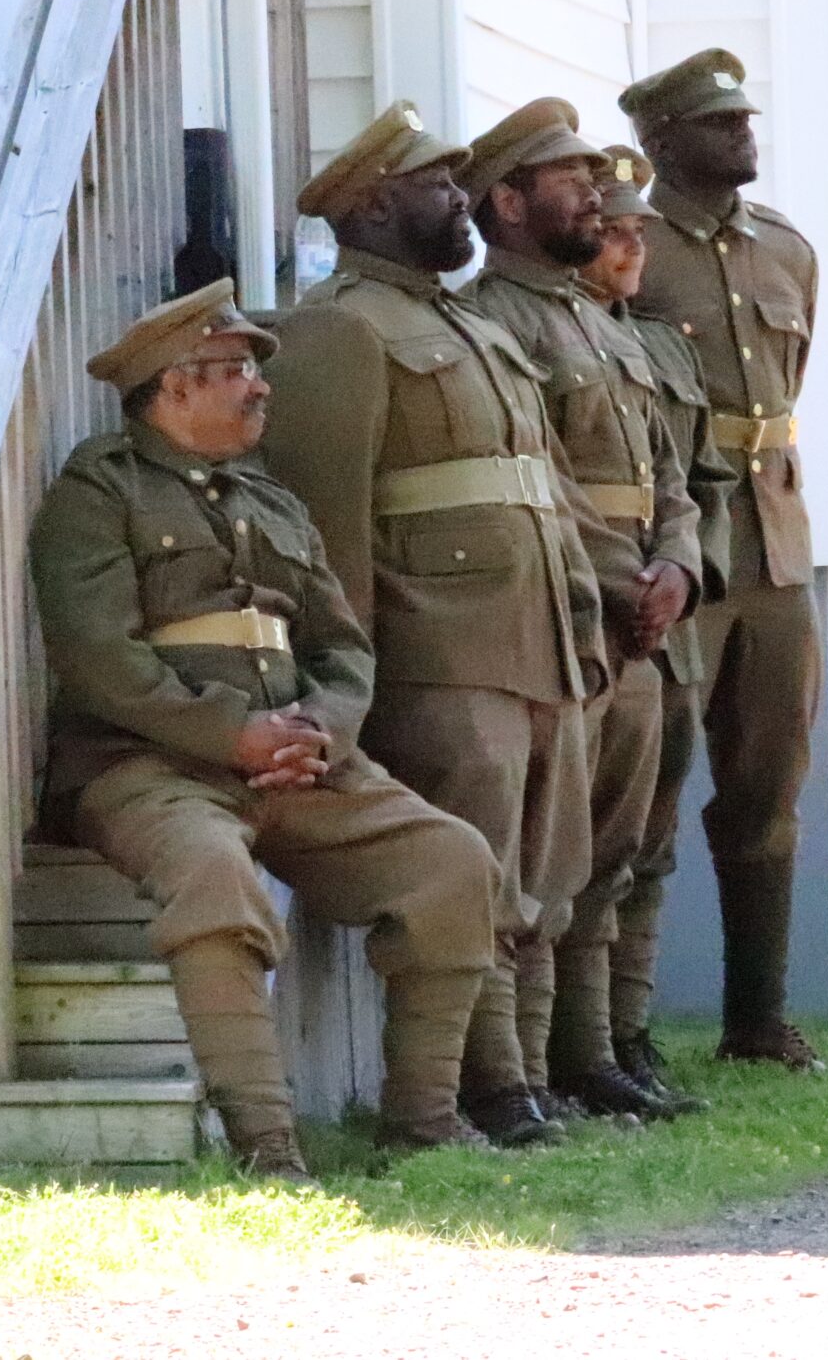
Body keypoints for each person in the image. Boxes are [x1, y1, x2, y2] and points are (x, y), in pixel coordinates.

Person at [30, 281, 500, 1178]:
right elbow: (101, 660)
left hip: (298, 763)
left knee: (453, 860)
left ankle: (423, 1118)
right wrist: (232, 736)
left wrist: (321, 728)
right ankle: (269, 1144)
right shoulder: (98, 491)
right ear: (174, 386)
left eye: (254, 367)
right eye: (237, 369)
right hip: (148, 766)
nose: (261, 387)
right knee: (213, 873)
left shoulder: (274, 500)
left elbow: (342, 645)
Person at [259, 101, 610, 1149]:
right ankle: (488, 1089)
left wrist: (581, 618)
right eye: (439, 186)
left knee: (547, 871)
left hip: (535, 633)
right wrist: (345, 679)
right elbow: (327, 529)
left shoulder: (472, 323)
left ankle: (530, 1076)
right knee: (478, 871)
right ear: (373, 204)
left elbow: (541, 490)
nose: (462, 202)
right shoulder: (338, 326)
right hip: (438, 644)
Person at [459, 100, 701, 1123]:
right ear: (506, 203)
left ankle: (593, 1050)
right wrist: (622, 584)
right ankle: (524, 1066)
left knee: (614, 854)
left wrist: (678, 570)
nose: (594, 198)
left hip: (642, 613)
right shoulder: (491, 321)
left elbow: (670, 480)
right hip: (570, 614)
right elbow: (543, 486)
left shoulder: (600, 325)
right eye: (566, 181)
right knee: (544, 857)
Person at [619, 49, 826, 1073]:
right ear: (663, 143)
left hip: (776, 541)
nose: (744, 135)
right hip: (673, 542)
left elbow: (785, 391)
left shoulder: (787, 249)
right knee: (645, 777)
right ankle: (616, 1032)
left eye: (745, 119)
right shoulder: (629, 248)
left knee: (769, 783)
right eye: (719, 123)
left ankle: (757, 1021)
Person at [578, 147, 727, 1114]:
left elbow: (695, 482)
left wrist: (680, 565)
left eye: (641, 231)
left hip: (669, 623)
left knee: (652, 840)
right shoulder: (532, 331)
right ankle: (580, 1044)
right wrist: (628, 577)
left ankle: (627, 1030)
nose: (634, 245)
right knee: (585, 843)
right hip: (596, 616)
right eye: (618, 229)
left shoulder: (661, 348)